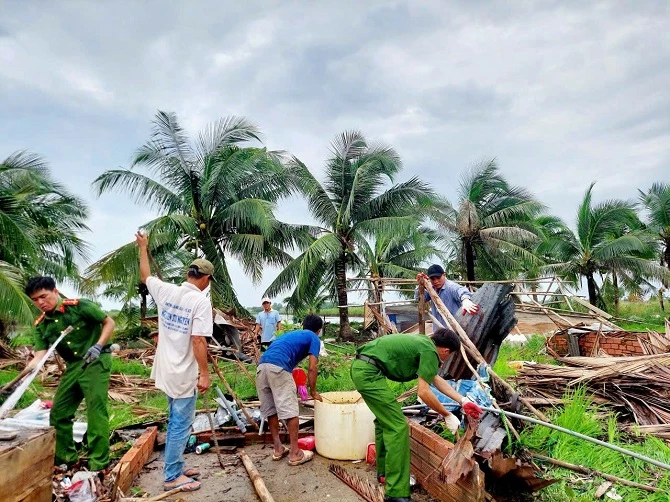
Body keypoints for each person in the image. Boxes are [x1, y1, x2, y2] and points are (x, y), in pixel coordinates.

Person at [351, 329, 483, 502]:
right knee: (398, 427)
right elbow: (424, 392)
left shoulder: (424, 343)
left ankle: (384, 473)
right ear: (445, 351)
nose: (444, 360)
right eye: (448, 357)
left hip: (364, 369)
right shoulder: (430, 351)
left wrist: (463, 401)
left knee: (385, 421)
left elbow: (435, 379)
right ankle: (396, 494)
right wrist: (446, 414)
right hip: (369, 374)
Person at [136, 232, 213, 493]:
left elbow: (145, 275)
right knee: (181, 423)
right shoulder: (200, 302)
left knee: (175, 418)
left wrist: (142, 248)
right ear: (205, 279)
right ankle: (171, 476)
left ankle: (177, 465)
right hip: (183, 372)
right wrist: (204, 373)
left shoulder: (166, 290)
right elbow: (198, 341)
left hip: (166, 369)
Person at [24, 276, 115, 472]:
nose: (40, 303)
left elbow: (109, 322)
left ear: (55, 292)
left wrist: (98, 345)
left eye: (43, 296)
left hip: (96, 360)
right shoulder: (42, 325)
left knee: (95, 410)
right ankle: (66, 459)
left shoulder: (79, 306)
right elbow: (39, 355)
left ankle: (98, 463)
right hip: (74, 366)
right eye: (35, 300)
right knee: (59, 413)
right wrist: (24, 374)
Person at [255, 314, 325, 466]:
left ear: (303, 326)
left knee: (271, 410)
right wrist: (313, 392)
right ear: (318, 330)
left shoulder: (292, 334)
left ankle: (278, 449)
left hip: (261, 368)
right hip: (279, 367)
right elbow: (313, 367)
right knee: (291, 410)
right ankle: (295, 453)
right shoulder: (313, 338)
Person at [415, 264, 479, 327]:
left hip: (455, 330)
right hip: (438, 328)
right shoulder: (431, 288)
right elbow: (420, 299)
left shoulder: (451, 287)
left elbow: (461, 291)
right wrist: (420, 285)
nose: (436, 281)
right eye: (432, 279)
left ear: (444, 275)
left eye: (438, 277)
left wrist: (465, 300)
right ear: (429, 279)